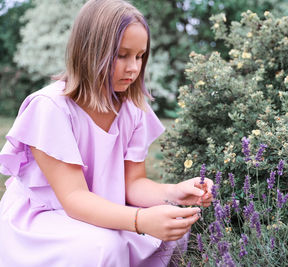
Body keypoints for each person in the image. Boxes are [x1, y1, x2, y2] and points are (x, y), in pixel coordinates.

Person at [0, 0, 213, 266]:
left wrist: (174, 192)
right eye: (122, 55)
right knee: (105, 247)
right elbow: (74, 199)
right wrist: (140, 220)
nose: (134, 68)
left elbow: (133, 184)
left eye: (139, 56)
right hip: (45, 218)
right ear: (89, 52)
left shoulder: (133, 109)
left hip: (100, 207)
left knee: (172, 232)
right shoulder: (51, 108)